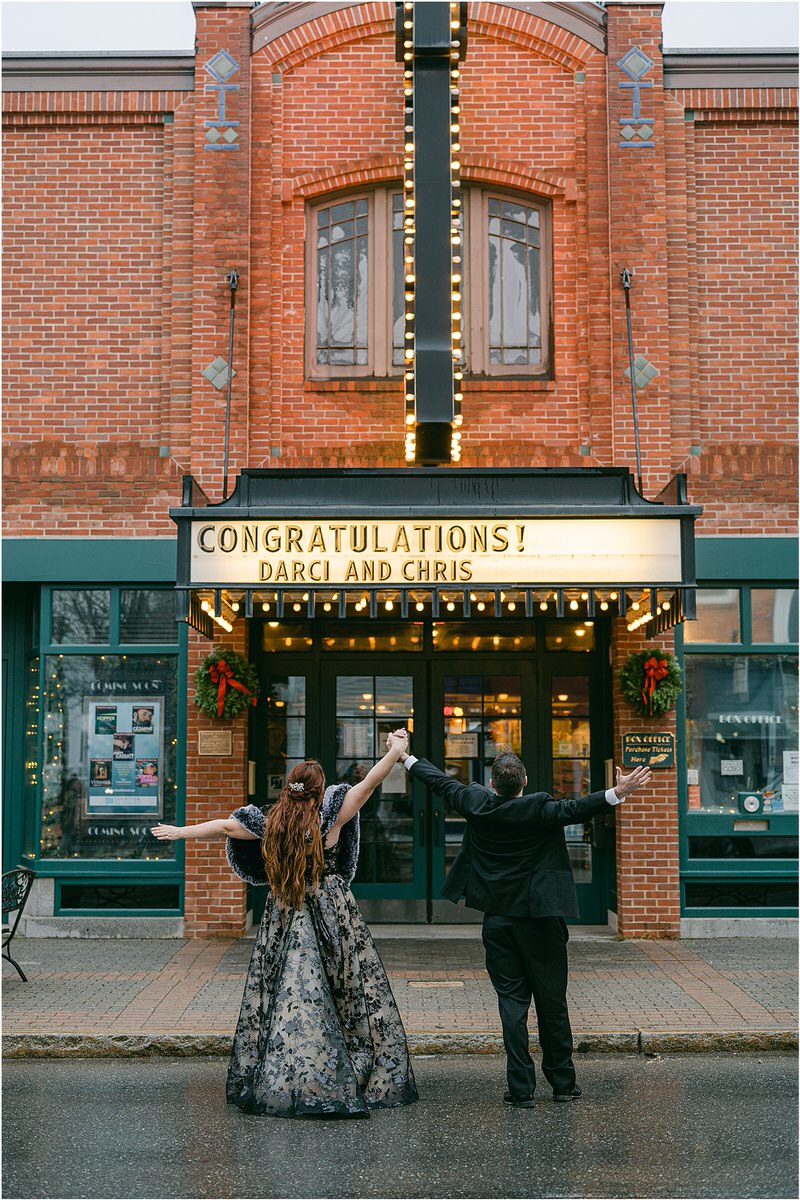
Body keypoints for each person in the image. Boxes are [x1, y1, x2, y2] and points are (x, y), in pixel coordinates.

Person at [151, 731, 418, 1118]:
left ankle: (288, 1067)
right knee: (342, 986)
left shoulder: (271, 822)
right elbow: (370, 781)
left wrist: (180, 832)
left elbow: (225, 826)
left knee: (288, 990)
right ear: (319, 789)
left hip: (286, 910)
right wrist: (395, 750)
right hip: (331, 910)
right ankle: (344, 1069)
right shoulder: (332, 816)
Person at [396, 741, 652, 1108]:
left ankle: (520, 1089)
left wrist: (404, 756)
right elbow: (579, 808)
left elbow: (439, 782)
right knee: (552, 1003)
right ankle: (563, 1084)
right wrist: (619, 791)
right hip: (542, 921)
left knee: (512, 1006)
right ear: (525, 781)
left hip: (499, 922)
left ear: (491, 783)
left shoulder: (476, 803)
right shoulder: (541, 809)